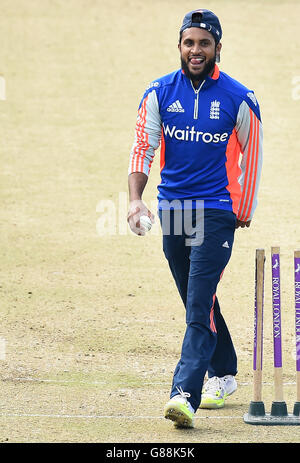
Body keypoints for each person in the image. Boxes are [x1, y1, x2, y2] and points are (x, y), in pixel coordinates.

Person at [127, 8, 263, 428]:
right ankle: (224, 372)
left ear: (218, 48)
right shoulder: (158, 93)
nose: (196, 50)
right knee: (195, 298)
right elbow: (143, 148)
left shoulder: (240, 98)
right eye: (189, 42)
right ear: (180, 46)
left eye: (204, 42)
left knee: (199, 299)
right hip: (174, 208)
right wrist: (135, 200)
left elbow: (252, 157)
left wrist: (243, 208)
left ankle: (184, 393)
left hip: (218, 210)